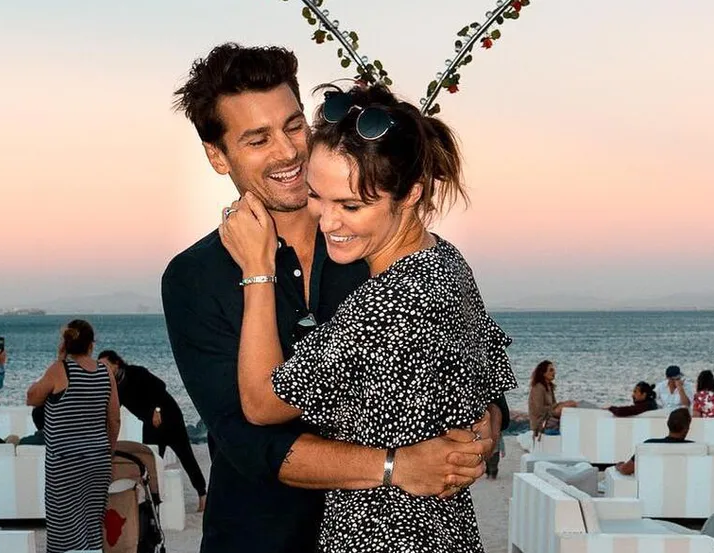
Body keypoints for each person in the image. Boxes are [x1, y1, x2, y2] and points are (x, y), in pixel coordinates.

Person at [164, 43, 505, 553]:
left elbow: (469, 374)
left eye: (294, 126)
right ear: (218, 155)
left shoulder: (372, 246)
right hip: (260, 540)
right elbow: (250, 440)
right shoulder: (194, 277)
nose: (288, 152)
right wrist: (398, 466)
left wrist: (481, 432)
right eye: (258, 139)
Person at [26, 320, 120, 553]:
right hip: (98, 460)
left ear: (66, 344)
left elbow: (33, 398)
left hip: (65, 462)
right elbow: (114, 419)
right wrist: (109, 451)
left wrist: (60, 360)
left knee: (65, 528)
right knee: (92, 527)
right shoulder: (105, 371)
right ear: (91, 344)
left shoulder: (60, 369)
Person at [98, 349, 208, 511]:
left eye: (106, 365)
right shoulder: (114, 387)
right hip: (150, 424)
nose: (103, 369)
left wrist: (157, 411)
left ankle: (202, 495)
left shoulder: (136, 373)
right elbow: (114, 412)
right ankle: (153, 501)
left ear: (116, 364)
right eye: (100, 366)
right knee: (149, 461)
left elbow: (159, 386)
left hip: (169, 417)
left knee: (186, 455)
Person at [616, 407, 693, 475]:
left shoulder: (648, 445)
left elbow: (626, 470)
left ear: (668, 424)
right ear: (687, 428)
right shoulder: (695, 447)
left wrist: (619, 466)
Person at [528, 360, 578, 435]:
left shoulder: (549, 387)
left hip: (549, 415)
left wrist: (559, 405)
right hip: (541, 421)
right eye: (551, 370)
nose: (554, 373)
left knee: (572, 403)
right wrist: (556, 408)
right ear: (543, 373)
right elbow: (539, 409)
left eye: (554, 370)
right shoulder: (538, 387)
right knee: (567, 406)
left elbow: (553, 404)